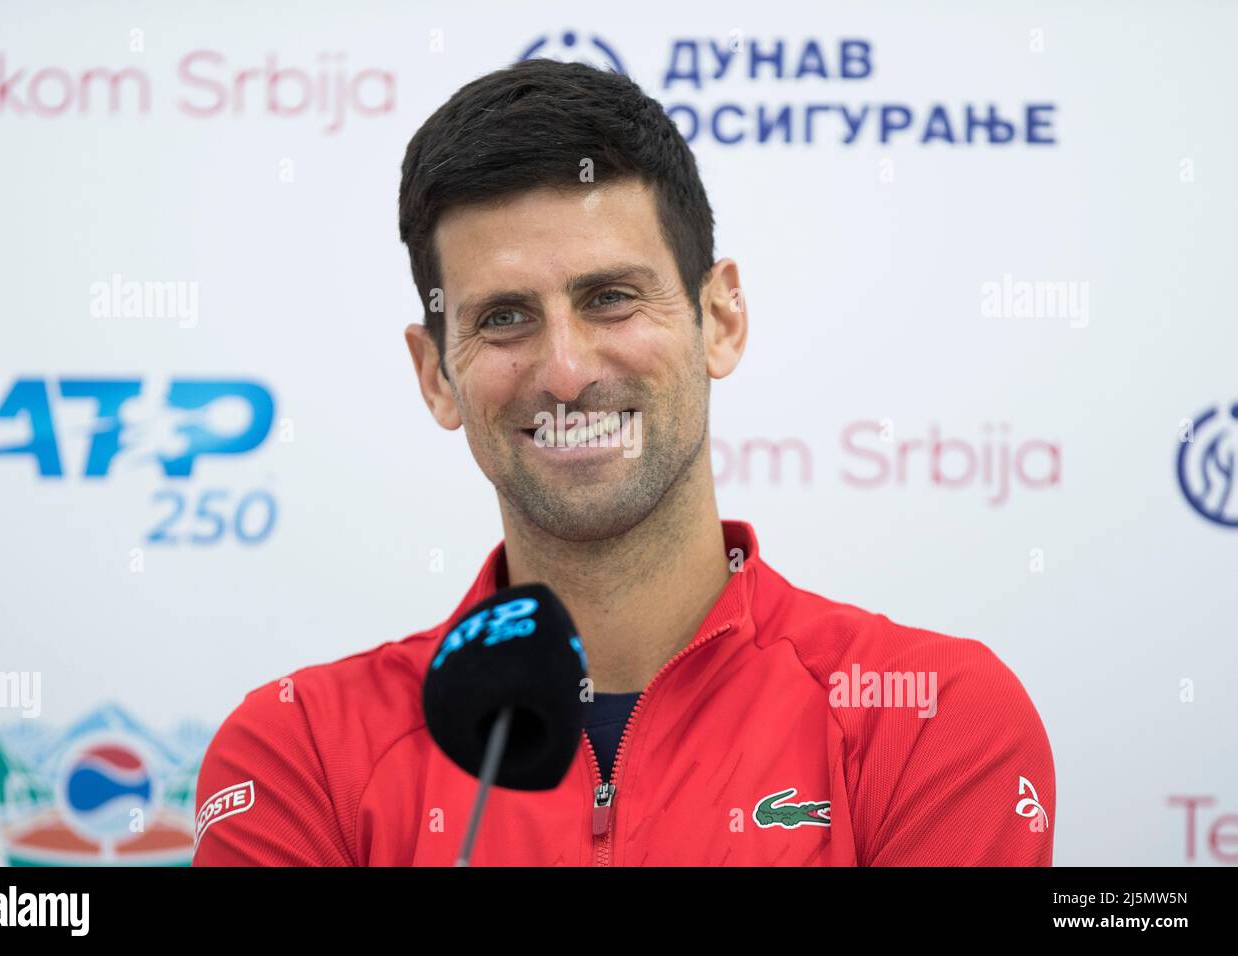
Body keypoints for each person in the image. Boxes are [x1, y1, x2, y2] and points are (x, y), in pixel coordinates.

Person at [192, 57, 1055, 866]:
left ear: (718, 321)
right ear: (437, 375)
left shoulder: (930, 714)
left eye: (610, 299)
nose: (565, 372)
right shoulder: (302, 749)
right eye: (504, 318)